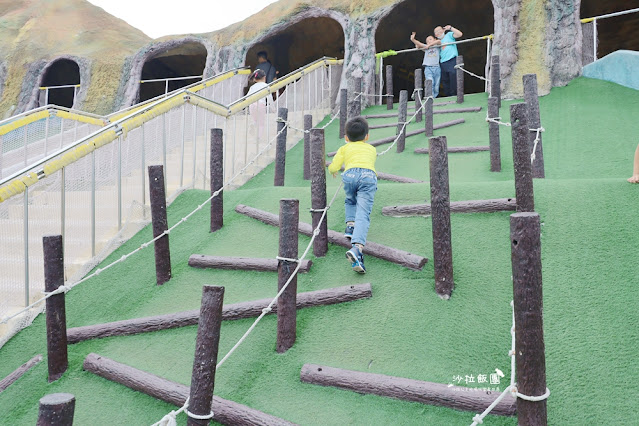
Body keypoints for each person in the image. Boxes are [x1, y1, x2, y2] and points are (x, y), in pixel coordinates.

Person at [328, 117, 377, 274]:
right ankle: (357, 248)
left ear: (346, 138)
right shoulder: (372, 149)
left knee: (350, 200)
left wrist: (333, 171)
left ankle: (350, 225)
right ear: (367, 136)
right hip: (368, 176)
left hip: (349, 175)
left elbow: (334, 165)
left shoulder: (344, 148)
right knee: (363, 212)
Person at [434, 25, 463, 97]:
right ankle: (448, 96)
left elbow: (460, 34)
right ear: (435, 35)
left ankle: (455, 95)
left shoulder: (449, 35)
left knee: (453, 76)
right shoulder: (436, 42)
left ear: (443, 30)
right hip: (443, 62)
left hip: (452, 59)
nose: (438, 32)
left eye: (439, 30)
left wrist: (450, 28)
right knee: (445, 80)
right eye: (436, 32)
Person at [410, 32, 441, 98]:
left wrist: (429, 45)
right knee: (430, 82)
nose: (429, 41)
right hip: (428, 68)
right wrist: (413, 39)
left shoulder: (437, 46)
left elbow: (439, 41)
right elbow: (419, 44)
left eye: (430, 39)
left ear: (434, 39)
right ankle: (430, 97)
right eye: (427, 41)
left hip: (437, 68)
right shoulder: (426, 48)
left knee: (436, 85)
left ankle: (434, 97)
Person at [246, 69, 269, 140]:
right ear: (264, 77)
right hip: (261, 105)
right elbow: (269, 98)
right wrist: (273, 108)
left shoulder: (252, 87)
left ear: (255, 79)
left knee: (255, 120)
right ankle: (258, 137)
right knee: (261, 123)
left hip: (252, 105)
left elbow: (247, 98)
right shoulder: (266, 85)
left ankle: (253, 124)